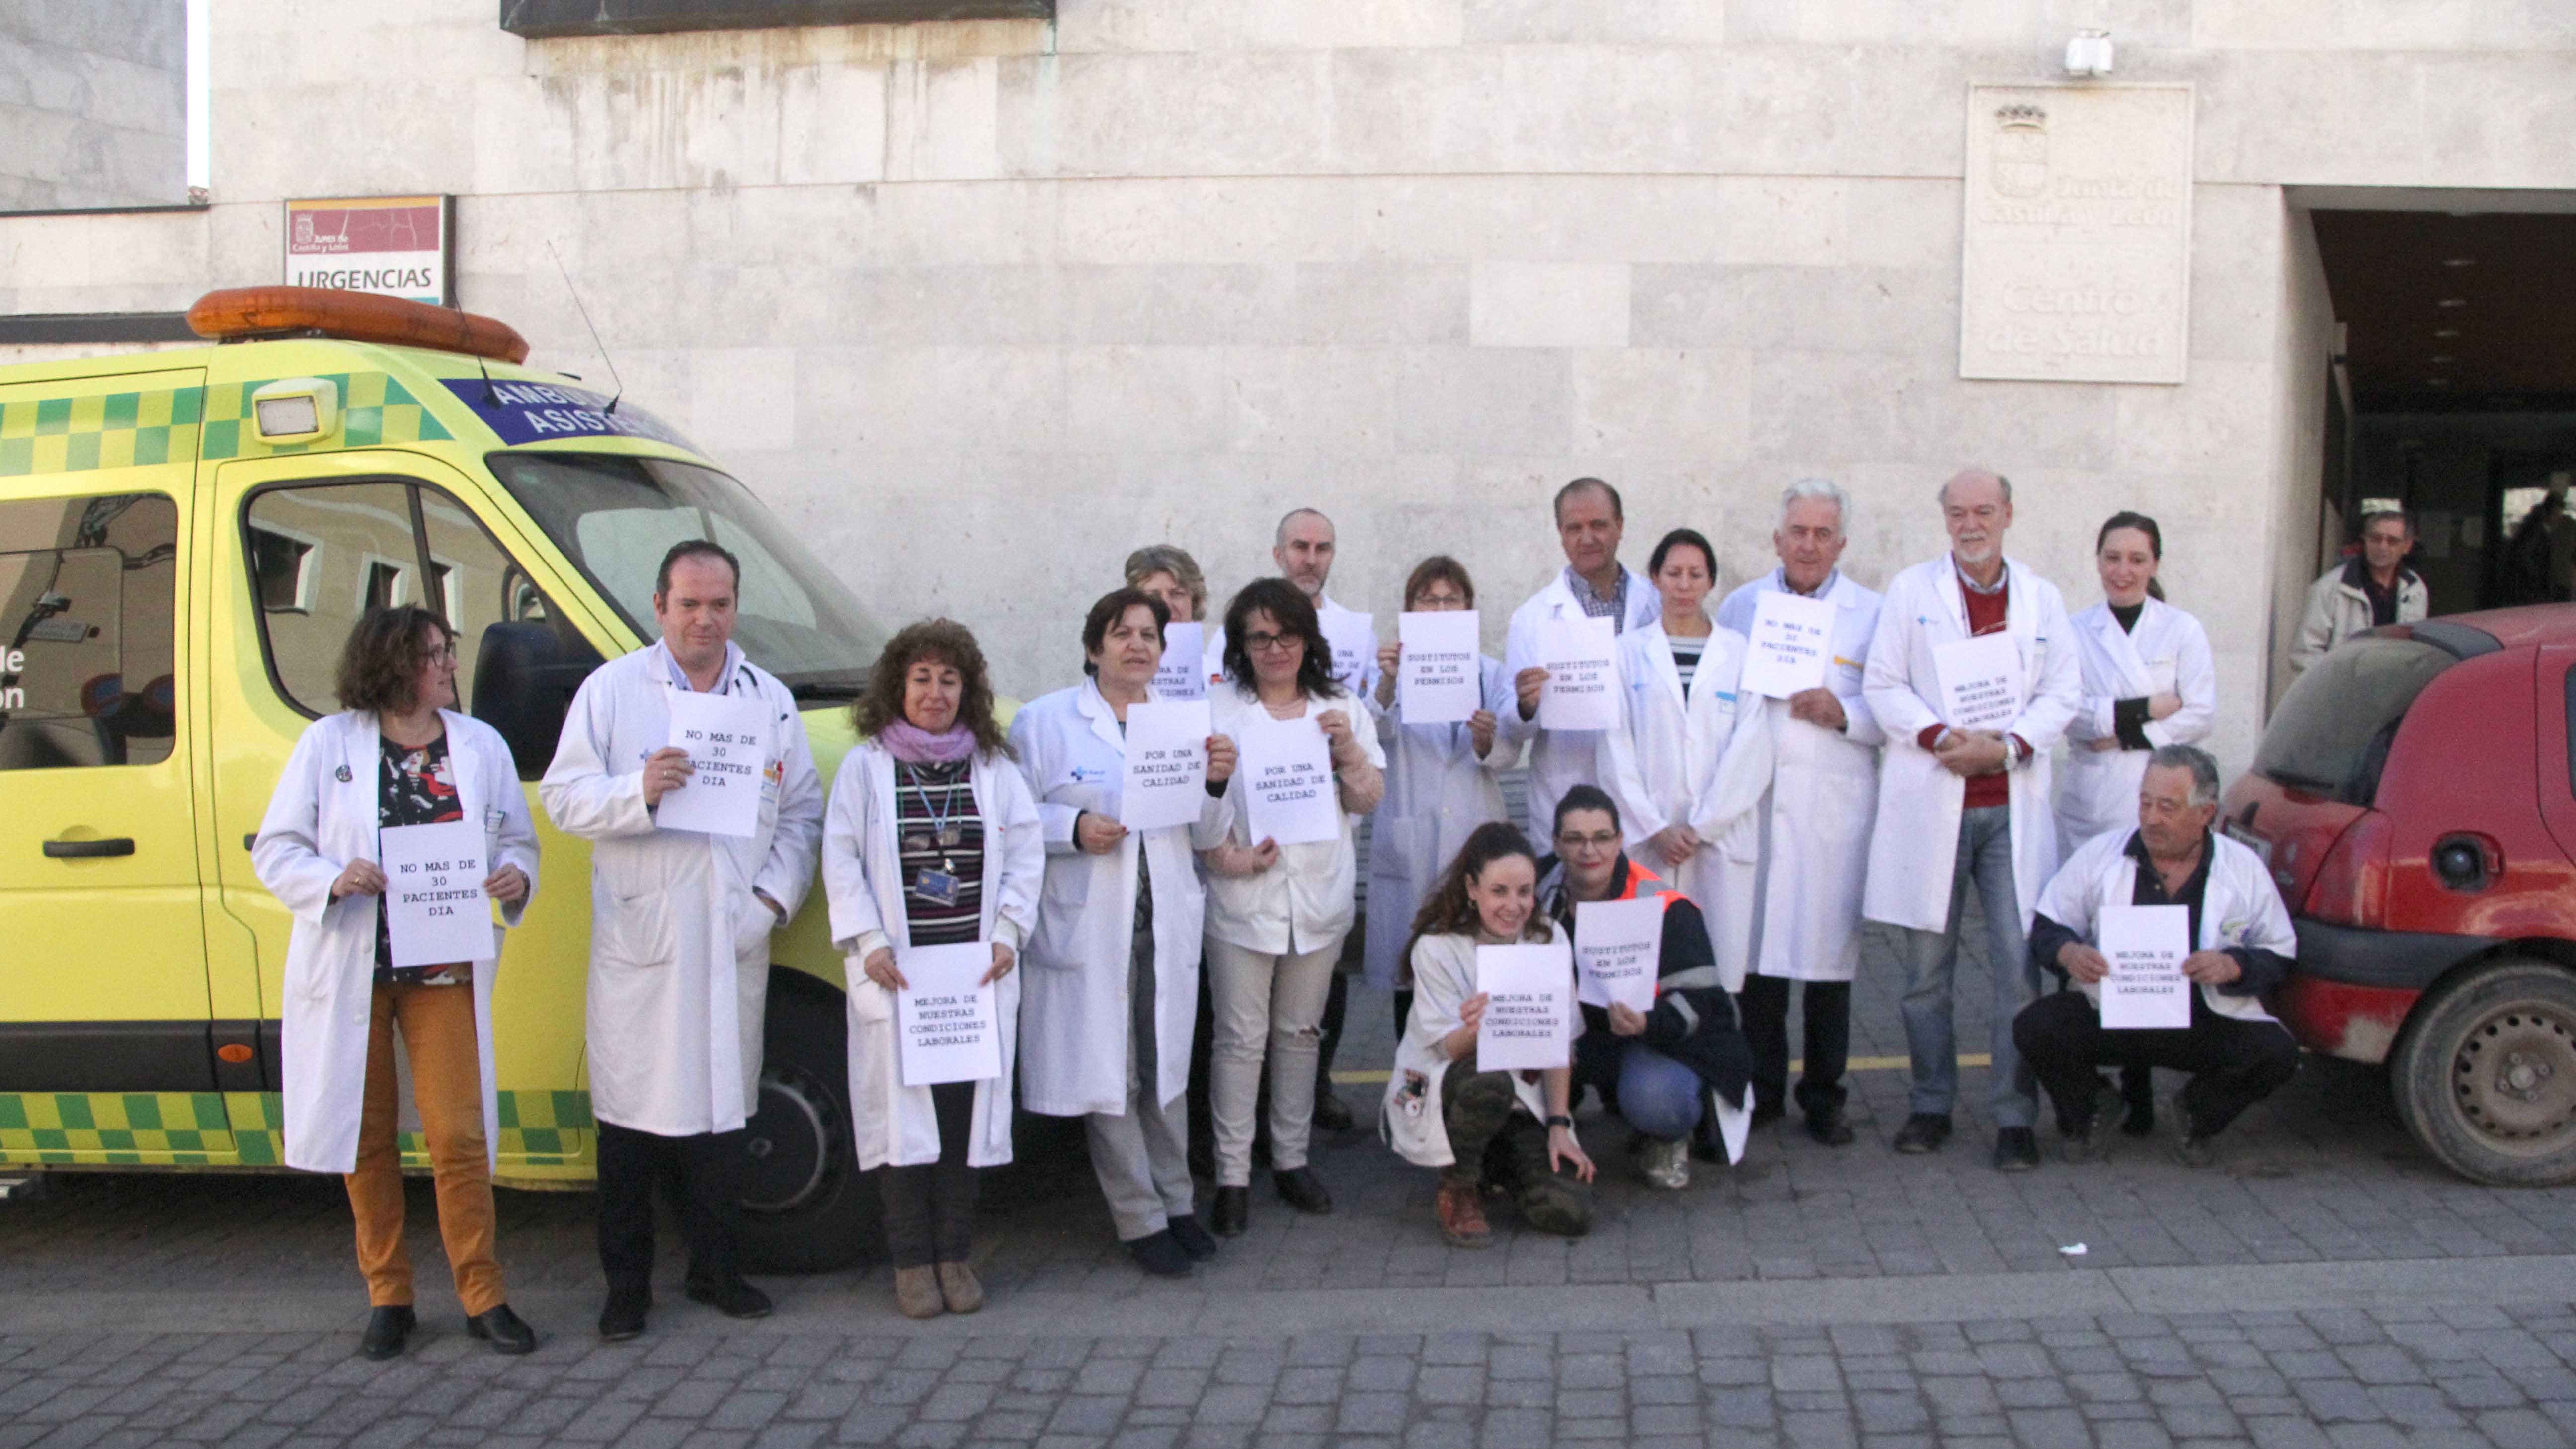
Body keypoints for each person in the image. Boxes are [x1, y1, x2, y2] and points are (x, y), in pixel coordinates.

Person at [541, 541, 823, 1341]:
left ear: (737, 607)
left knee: (722, 1125)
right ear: (660, 607)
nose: (706, 619)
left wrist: (771, 899)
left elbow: (800, 812)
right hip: (646, 941)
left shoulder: (767, 700)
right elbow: (563, 797)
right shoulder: (614, 691)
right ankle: (627, 1287)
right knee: (631, 1128)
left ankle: (717, 1271)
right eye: (690, 604)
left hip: (733, 932)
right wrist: (638, 791)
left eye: (721, 604)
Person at [254, 606, 542, 1360]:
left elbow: (516, 836)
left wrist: (517, 874)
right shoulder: (329, 745)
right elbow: (277, 848)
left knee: (457, 1134)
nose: (451, 666)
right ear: (393, 666)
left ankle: (483, 1294)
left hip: (442, 965)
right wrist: (332, 875)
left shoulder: (479, 746)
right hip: (354, 963)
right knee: (366, 1136)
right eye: (436, 655)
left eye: (449, 651)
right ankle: (390, 1295)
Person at [1010, 590, 1238, 1278]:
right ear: (1093, 648)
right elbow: (1012, 819)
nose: (1137, 645)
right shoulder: (1045, 721)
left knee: (1165, 1068)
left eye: (1149, 635)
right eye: (1121, 634)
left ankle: (1178, 1204)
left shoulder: (1181, 724)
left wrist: (1218, 783)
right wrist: (1072, 829)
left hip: (1162, 923)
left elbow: (1206, 836)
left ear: (1163, 653)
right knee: (1112, 1076)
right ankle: (1140, 1219)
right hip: (1089, 926)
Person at [1861, 470, 2081, 1171]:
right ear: (1945, 519)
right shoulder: (1911, 592)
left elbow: (2063, 694)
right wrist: (1938, 740)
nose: (1971, 523)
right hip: (1937, 803)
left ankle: (2014, 1116)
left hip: (2011, 810)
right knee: (1927, 974)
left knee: (2018, 974)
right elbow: (1882, 685)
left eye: (1984, 511)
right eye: (1958, 512)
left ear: (2009, 514)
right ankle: (1931, 1105)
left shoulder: (2042, 599)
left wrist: (2008, 747)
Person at [824, 619, 1043, 1318]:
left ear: (968, 690)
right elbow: (842, 859)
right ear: (898, 685)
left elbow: (1028, 855)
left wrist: (1009, 932)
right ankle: (912, 1264)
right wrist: (868, 940)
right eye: (922, 677)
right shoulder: (866, 767)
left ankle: (956, 1254)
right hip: (902, 978)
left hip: (971, 980)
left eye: (950, 679)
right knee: (902, 1127)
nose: (935, 692)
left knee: (958, 1123)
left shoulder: (994, 769)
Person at [1200, 578, 1387, 1235]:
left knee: (1301, 1037)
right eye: (1259, 637)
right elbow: (1200, 820)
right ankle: (1231, 1175)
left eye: (1286, 634)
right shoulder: (1217, 709)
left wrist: (1349, 753)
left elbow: (1367, 800)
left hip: (1318, 898)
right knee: (1239, 1041)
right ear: (1241, 646)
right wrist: (1228, 857)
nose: (1274, 648)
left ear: (1306, 638)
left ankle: (1291, 1158)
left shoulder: (1341, 708)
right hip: (1243, 900)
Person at [2014, 745, 2301, 1168]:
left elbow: (2280, 951)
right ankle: (2093, 1105)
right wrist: (2069, 952)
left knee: (2277, 1053)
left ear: (2205, 813)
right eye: (2145, 803)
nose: (2150, 819)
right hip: (2111, 1011)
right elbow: (2047, 924)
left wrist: (2233, 965)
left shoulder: (2241, 869)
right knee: (2035, 1027)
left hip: (2203, 1016)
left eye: (2167, 808)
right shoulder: (2102, 855)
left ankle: (2196, 1113)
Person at [1706, 480, 1884, 1146]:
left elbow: (1895, 705)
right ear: (1777, 539)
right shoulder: (1743, 606)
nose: (1809, 545)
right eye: (1797, 533)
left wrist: (1847, 715)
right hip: (1760, 802)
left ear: (1841, 543)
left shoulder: (1873, 612)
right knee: (1759, 965)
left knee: (1828, 968)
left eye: (1822, 534)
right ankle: (1765, 1090)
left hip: (1833, 810)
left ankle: (1825, 1096)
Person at [1382, 822, 1594, 1246]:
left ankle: (1498, 1161)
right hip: (1435, 1083)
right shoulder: (1438, 947)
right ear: (1472, 889)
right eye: (1499, 891)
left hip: (1520, 1097)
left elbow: (1559, 1044)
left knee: (1570, 1212)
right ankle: (1459, 1184)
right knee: (1489, 1080)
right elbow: (1446, 1046)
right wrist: (1478, 1029)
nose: (1514, 906)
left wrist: (1558, 1125)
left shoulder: (1549, 937)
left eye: (1525, 891)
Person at [1542, 786, 1753, 1190]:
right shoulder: (1535, 892)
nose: (1590, 851)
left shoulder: (1665, 907)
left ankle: (1667, 1136)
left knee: (1657, 1097)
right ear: (1555, 844)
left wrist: (1648, 1023)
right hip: (1576, 1036)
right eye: (1575, 839)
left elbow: (1708, 1006)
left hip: (1655, 1040)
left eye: (1602, 838)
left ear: (1621, 841)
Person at [1366, 556, 1521, 1035]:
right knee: (1411, 976)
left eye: (1451, 598)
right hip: (1411, 833)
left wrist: (1484, 742)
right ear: (1410, 608)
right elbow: (1371, 733)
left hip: (1473, 830)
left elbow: (1510, 749)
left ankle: (1474, 1088)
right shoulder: (1389, 671)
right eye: (1427, 599)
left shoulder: (1490, 673)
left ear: (1469, 607)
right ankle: (1412, 1091)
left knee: (1477, 970)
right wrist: (1388, 682)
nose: (1439, 607)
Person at [1600, 527, 1746, 909]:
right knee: (1649, 953)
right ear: (1655, 577)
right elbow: (1614, 748)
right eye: (1673, 574)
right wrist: (1655, 828)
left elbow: (1751, 747)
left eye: (1695, 575)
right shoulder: (1626, 652)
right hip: (1648, 840)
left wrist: (1704, 825)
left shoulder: (1738, 652)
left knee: (1716, 953)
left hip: (1716, 839)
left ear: (1711, 581)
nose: (1684, 585)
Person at [1506, 478, 1660, 840]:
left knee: (1646, 895)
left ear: (1620, 527)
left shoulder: (1657, 603)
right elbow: (1511, 730)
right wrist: (1525, 706)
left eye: (1599, 525)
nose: (1587, 538)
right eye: (1574, 528)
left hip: (1649, 799)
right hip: (1568, 796)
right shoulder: (1532, 619)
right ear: (1560, 534)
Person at [2292, 509, 2427, 672]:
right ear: (2365, 540)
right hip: (2343, 691)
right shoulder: (2329, 588)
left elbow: (2417, 648)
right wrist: (2339, 678)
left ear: (2407, 546)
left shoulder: (2415, 589)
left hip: (2392, 688)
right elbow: (2303, 654)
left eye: (2392, 541)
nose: (2382, 547)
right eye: (2376, 539)